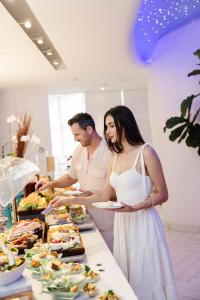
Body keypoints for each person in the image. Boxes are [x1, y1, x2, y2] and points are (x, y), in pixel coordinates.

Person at [49, 106, 178, 300]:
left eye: (111, 126)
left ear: (124, 124)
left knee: (146, 275)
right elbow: (102, 196)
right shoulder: (114, 157)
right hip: (122, 224)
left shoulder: (146, 153)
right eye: (106, 126)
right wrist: (69, 199)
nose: (107, 131)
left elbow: (163, 194)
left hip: (144, 224)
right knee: (127, 274)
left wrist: (136, 207)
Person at [36, 112, 114, 251]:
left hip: (107, 220)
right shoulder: (79, 150)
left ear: (89, 129)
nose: (75, 139)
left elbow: (116, 190)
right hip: (84, 216)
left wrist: (93, 193)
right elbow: (71, 177)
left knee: (110, 258)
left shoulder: (110, 152)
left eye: (77, 135)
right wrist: (51, 184)